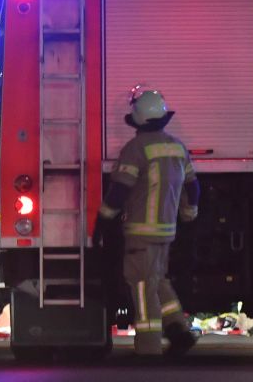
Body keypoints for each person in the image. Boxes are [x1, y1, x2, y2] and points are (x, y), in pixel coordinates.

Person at [96, 86, 199, 357]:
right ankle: (179, 330)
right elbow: (194, 185)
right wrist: (190, 212)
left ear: (137, 120)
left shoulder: (136, 149)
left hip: (141, 234)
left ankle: (149, 347)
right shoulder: (177, 147)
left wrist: (102, 220)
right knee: (158, 281)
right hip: (167, 232)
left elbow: (119, 191)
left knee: (142, 288)